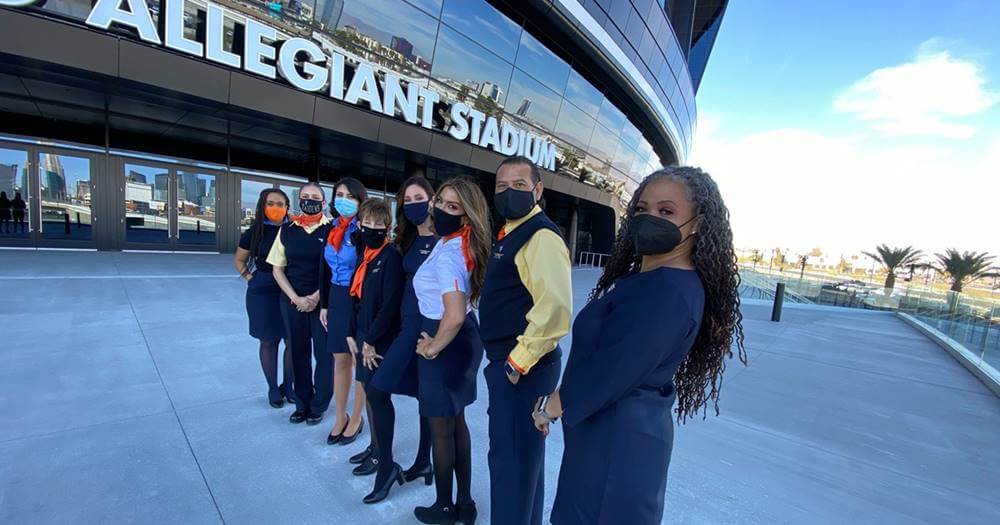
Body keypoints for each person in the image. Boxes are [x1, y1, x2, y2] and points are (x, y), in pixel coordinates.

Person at [535, 166, 747, 524]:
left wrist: (550, 406)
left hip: (617, 447)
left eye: (666, 212)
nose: (650, 219)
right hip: (604, 436)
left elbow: (614, 369)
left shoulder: (670, 291)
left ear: (696, 222)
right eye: (642, 210)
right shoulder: (647, 280)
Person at [478, 156, 572, 525]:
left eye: (519, 185)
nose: (508, 192)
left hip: (523, 367)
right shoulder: (512, 231)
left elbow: (555, 309)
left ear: (538, 190)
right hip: (515, 364)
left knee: (512, 462)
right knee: (521, 462)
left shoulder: (540, 236)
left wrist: (517, 363)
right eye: (502, 186)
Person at [412, 177, 490, 524]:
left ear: (467, 215)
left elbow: (455, 314)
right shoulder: (458, 243)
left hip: (448, 340)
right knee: (456, 424)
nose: (441, 209)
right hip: (463, 341)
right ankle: (465, 505)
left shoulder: (450, 254)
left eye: (452, 206)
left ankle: (444, 508)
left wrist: (432, 347)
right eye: (440, 201)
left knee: (442, 428)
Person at [363, 176, 437, 504]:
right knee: (379, 390)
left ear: (432, 200)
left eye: (419, 197)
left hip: (428, 330)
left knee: (415, 397)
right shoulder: (406, 239)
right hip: (404, 328)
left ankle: (418, 463)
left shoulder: (447, 238)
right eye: (407, 200)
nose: (413, 204)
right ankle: (397, 464)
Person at [266, 182, 333, 425]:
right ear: (299, 201)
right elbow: (277, 269)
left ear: (323, 203)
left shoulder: (332, 230)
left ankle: (319, 404)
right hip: (292, 301)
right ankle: (303, 402)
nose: (310, 200)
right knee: (298, 353)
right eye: (305, 196)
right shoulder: (287, 230)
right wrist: (296, 298)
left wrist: (315, 297)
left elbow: (337, 269)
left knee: (325, 356)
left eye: (315, 197)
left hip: (323, 301)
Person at [234, 188, 295, 408]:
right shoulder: (254, 232)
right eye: (271, 203)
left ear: (287, 207)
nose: (276, 208)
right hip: (262, 292)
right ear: (263, 205)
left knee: (292, 341)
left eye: (281, 204)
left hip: (288, 290)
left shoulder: (293, 230)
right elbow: (239, 260)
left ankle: (289, 386)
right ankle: (272, 388)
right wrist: (249, 278)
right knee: (269, 341)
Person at [320, 178, 368, 442]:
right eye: (339, 195)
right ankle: (340, 416)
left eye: (350, 196)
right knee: (340, 359)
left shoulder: (363, 232)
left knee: (359, 360)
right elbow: (324, 270)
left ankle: (357, 417)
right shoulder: (331, 229)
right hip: (336, 298)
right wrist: (325, 304)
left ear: (360, 202)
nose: (344, 200)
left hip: (358, 299)